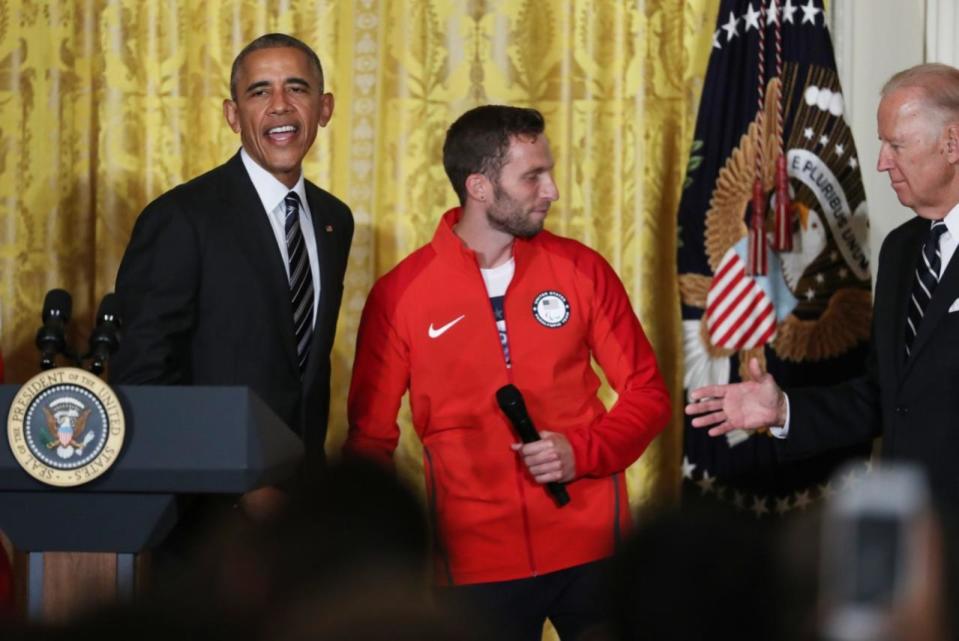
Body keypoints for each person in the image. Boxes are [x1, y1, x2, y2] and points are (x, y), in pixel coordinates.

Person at [344, 105, 670, 641]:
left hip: (595, 550)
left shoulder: (581, 269)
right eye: (533, 176)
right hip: (473, 567)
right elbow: (370, 441)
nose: (553, 190)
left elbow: (647, 393)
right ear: (479, 186)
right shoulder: (401, 295)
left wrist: (580, 451)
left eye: (550, 171)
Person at [685, 63, 959, 510]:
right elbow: (886, 396)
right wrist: (783, 411)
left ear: (953, 143)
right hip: (911, 529)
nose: (882, 161)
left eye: (896, 144)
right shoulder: (901, 249)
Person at [112, 33, 353, 482]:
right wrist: (238, 489)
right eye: (259, 91)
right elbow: (143, 382)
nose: (280, 105)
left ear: (324, 108)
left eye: (297, 88)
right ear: (232, 115)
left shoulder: (333, 220)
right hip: (208, 513)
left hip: (301, 506)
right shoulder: (181, 218)